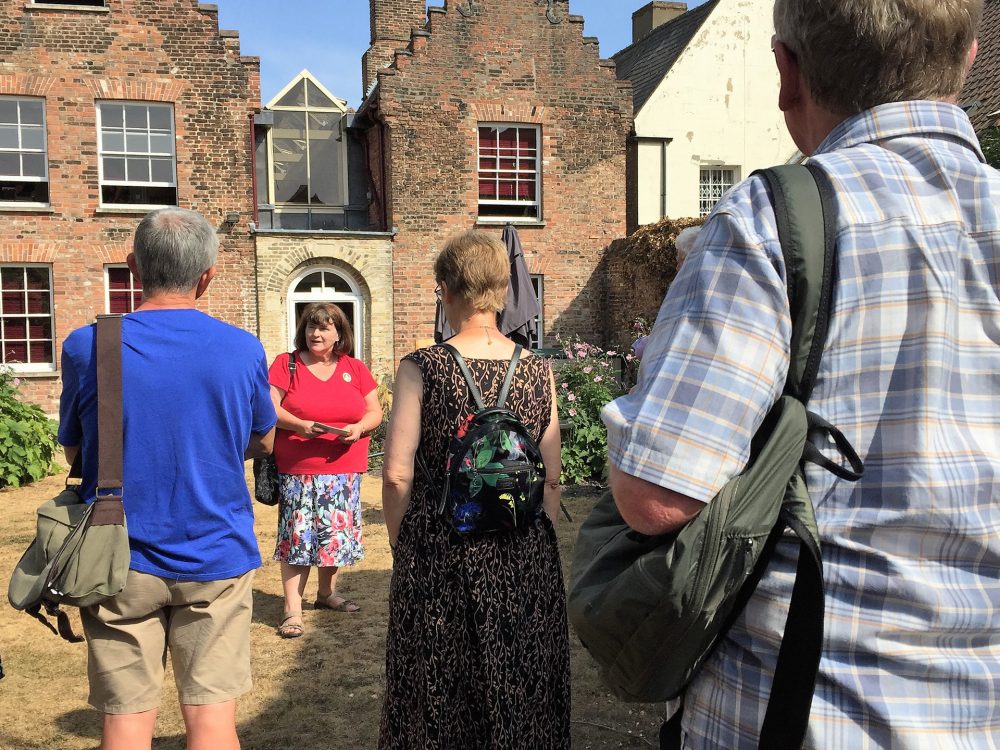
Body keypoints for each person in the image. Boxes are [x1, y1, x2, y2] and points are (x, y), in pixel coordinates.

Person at [602, 0, 999, 746]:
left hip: (805, 712)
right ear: (970, 56)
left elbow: (655, 496)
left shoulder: (772, 221)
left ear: (787, 72)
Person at [58, 208, 277, 750]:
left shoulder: (87, 346)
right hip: (217, 553)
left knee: (126, 725)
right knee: (211, 724)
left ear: (134, 268)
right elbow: (264, 440)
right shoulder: (242, 348)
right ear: (208, 276)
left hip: (118, 555)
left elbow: (74, 447)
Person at [379, 229, 569, 748]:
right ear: (503, 290)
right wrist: (535, 539)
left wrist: (404, 543)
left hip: (441, 548)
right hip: (522, 550)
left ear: (446, 289)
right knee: (519, 685)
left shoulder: (424, 367)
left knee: (438, 686)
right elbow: (551, 477)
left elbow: (397, 474)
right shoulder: (537, 369)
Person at [268, 302, 382, 638]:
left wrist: (360, 428)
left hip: (344, 466)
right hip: (299, 467)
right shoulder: (285, 364)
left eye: (325, 327)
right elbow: (268, 408)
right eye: (311, 327)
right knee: (297, 537)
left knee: (334, 535)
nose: (316, 333)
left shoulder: (354, 368)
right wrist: (299, 425)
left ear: (339, 333)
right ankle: (292, 608)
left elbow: (374, 410)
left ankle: (326, 594)